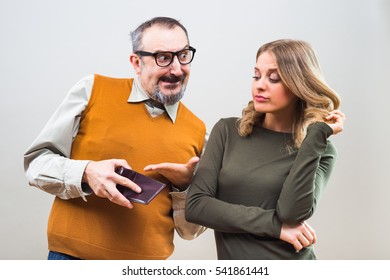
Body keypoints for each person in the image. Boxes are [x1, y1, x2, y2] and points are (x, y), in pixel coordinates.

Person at [24, 17, 206, 260]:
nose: (176, 69)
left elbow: (190, 232)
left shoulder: (198, 130)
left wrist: (184, 188)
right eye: (163, 57)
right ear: (136, 62)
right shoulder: (92, 90)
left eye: (183, 55)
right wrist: (87, 172)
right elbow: (36, 164)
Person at [185, 39, 346, 260]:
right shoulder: (227, 132)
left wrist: (317, 135)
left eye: (274, 78)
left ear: (299, 85)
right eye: (256, 75)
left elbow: (291, 213)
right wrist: (275, 226)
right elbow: (196, 206)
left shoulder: (321, 149)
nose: (260, 85)